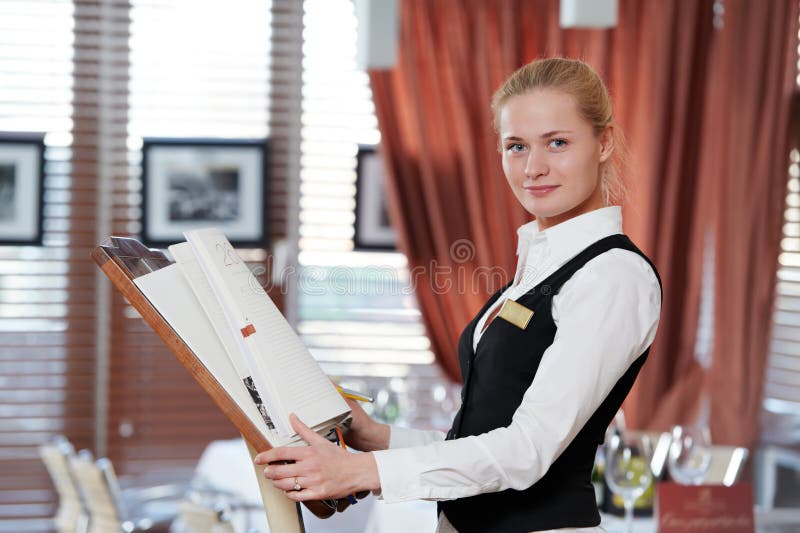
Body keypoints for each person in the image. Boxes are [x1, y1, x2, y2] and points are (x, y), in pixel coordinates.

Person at [255, 57, 662, 533]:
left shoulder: (612, 275)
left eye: (557, 142)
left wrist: (361, 472)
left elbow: (528, 449)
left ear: (604, 142)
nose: (533, 168)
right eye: (516, 146)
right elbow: (484, 438)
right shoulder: (537, 268)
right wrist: (377, 438)